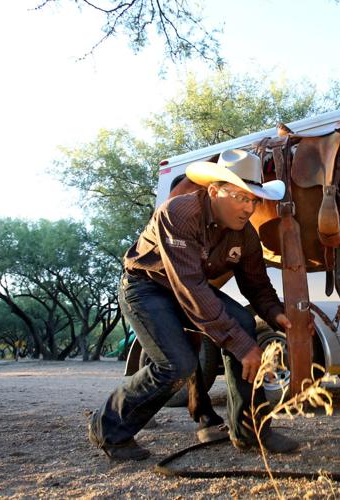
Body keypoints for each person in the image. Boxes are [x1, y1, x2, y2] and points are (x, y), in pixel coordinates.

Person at [88, 148, 300, 460]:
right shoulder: (179, 214)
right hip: (147, 287)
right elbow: (190, 287)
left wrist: (276, 313)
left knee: (243, 321)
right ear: (215, 191)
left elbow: (257, 285)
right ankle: (107, 428)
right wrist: (242, 345)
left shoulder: (246, 235)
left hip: (188, 287)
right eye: (242, 197)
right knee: (177, 365)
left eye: (254, 200)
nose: (249, 208)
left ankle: (249, 430)